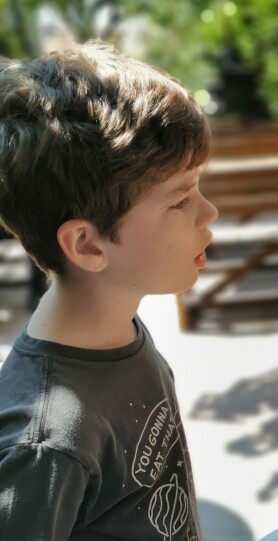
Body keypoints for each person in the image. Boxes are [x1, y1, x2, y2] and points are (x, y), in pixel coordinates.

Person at [0, 41, 218, 539]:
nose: (209, 214)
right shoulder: (46, 444)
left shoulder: (119, 332)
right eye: (180, 200)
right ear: (87, 244)